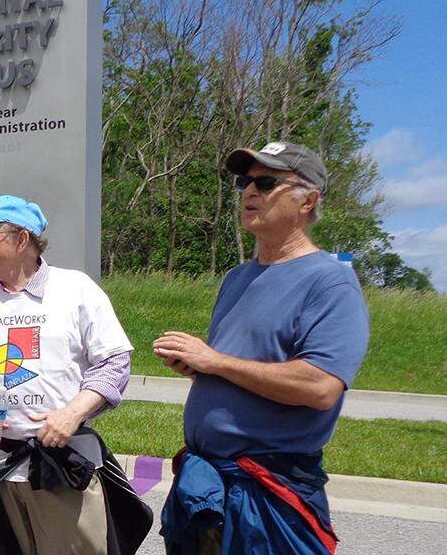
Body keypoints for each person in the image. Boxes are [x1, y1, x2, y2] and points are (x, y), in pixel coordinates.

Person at [154, 141, 369, 555]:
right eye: (244, 182)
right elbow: (243, 364)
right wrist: (202, 368)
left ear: (309, 200)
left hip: (267, 493)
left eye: (266, 182)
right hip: (209, 484)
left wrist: (216, 361)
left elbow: (321, 386)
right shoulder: (237, 278)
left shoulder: (330, 282)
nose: (249, 192)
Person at [0, 194, 149, 555]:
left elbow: (114, 364)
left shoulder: (75, 290)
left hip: (64, 470)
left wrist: (72, 415)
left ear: (22, 240)